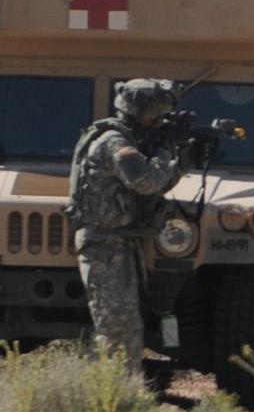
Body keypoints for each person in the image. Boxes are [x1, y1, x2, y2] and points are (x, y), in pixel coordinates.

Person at [67, 78, 184, 374]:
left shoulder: (127, 138)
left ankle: (123, 388)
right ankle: (117, 393)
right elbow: (145, 182)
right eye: (155, 115)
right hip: (103, 245)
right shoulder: (113, 142)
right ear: (141, 112)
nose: (158, 121)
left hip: (119, 242)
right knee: (117, 328)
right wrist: (166, 155)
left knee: (128, 324)